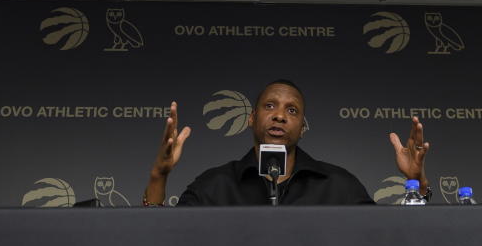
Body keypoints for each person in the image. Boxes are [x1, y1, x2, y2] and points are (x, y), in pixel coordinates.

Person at [142, 79, 432, 206]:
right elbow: (165, 242)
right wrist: (159, 175)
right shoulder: (214, 185)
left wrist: (417, 184)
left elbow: (388, 244)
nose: (280, 116)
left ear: (302, 127)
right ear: (251, 119)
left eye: (292, 111)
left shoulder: (339, 185)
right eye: (270, 107)